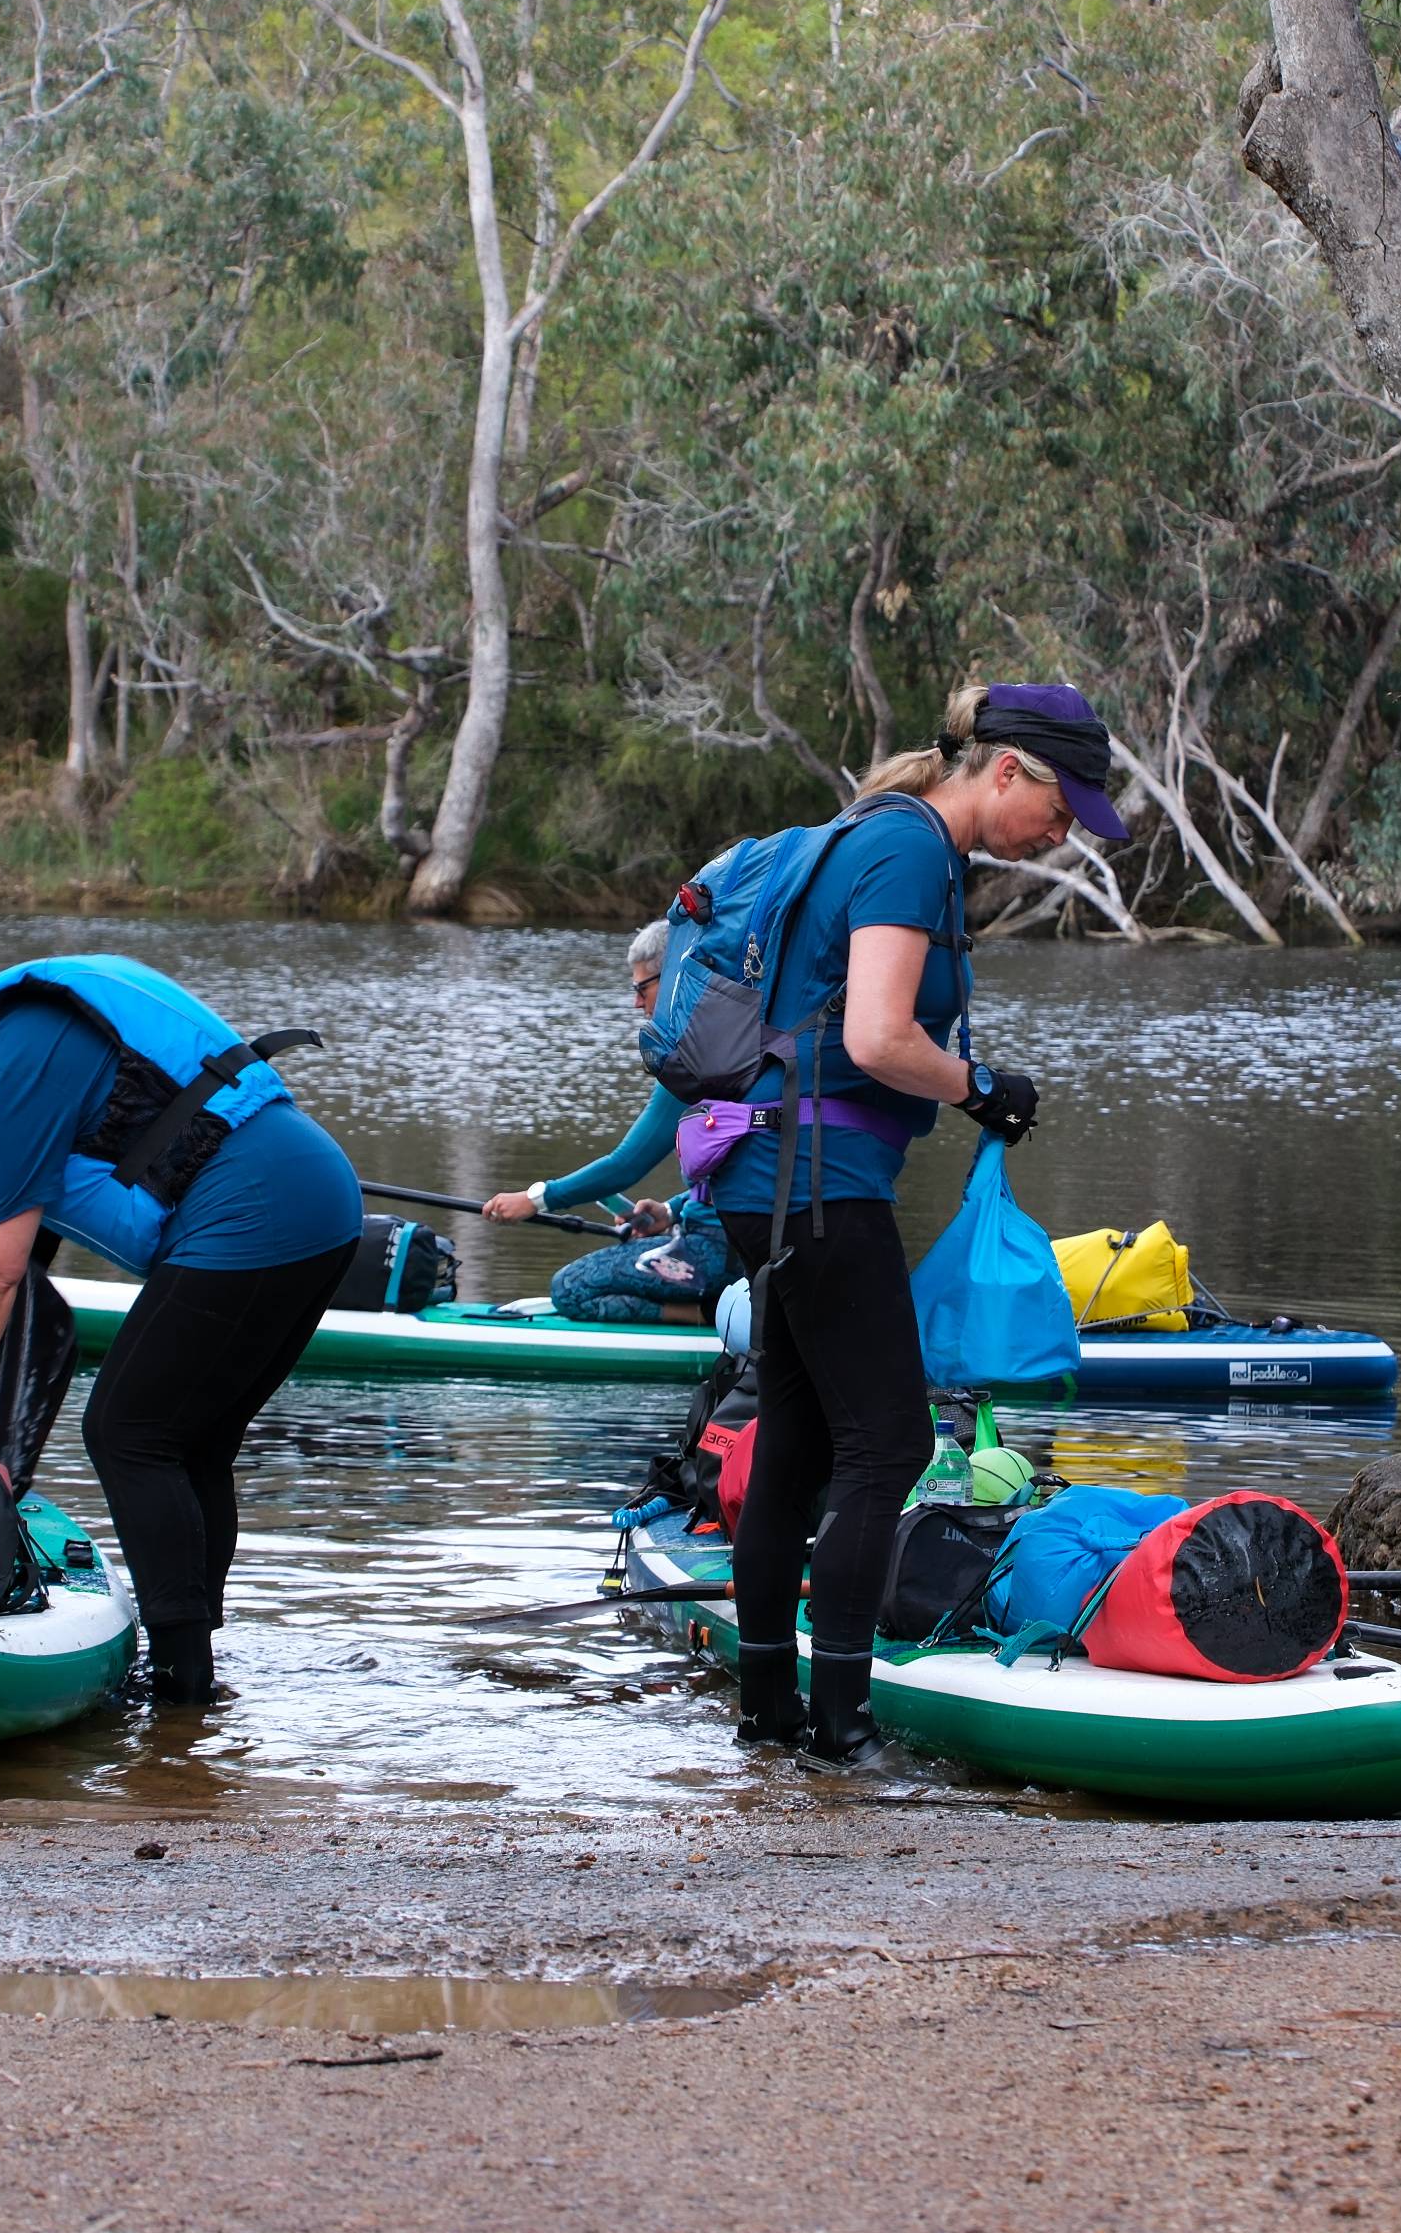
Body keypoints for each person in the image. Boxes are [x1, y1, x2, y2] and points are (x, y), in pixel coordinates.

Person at [718, 681, 1129, 1765]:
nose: (1061, 832)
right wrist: (979, 1083)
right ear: (1005, 771)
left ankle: (770, 1712)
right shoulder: (906, 850)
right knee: (891, 1440)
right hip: (816, 1178)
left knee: (804, 1442)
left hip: (774, 1175)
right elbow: (877, 1035)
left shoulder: (891, 838)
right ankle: (841, 1729)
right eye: (1061, 807)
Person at [0, 932, 360, 1704]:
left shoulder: (11, 1055)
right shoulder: (35, 1032)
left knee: (126, 1431)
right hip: (319, 1204)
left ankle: (182, 1683)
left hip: (255, 1214)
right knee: (190, 1440)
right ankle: (193, 1677)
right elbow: (24, 1261)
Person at [481, 918, 735, 1324]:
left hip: (714, 1255)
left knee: (571, 1288)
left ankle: (707, 1315)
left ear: (673, 976)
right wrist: (670, 1212)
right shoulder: (740, 1043)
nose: (637, 1003)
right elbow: (742, 1175)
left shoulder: (693, 1058)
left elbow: (626, 1165)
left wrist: (534, 1200)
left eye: (641, 988)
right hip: (743, 1243)